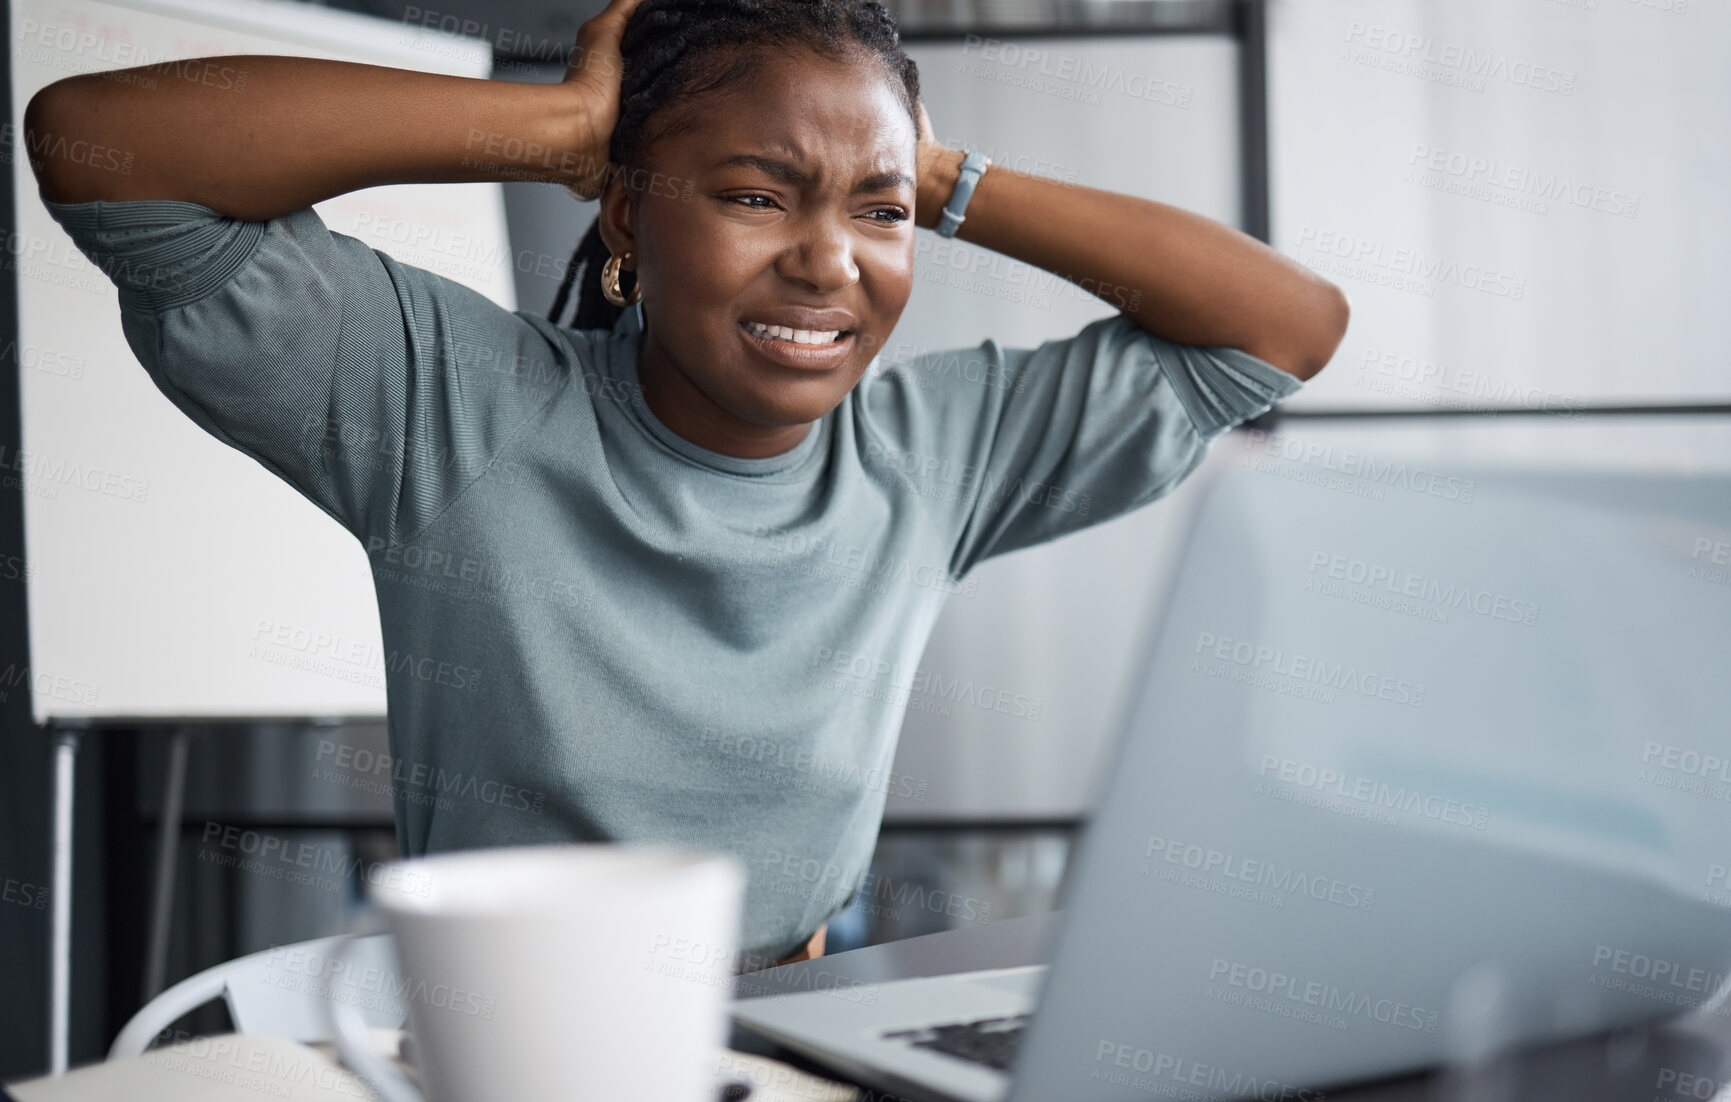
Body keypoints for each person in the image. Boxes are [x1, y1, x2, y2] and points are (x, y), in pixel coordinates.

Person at [24, 0, 1347, 972]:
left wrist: (925, 172)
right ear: (626, 219)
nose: (829, 264)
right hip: (499, 1046)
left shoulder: (941, 452)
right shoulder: (450, 406)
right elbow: (97, 142)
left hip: (790, 1042)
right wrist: (561, 129)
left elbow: (1284, 324)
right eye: (758, 197)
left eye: (876, 219)